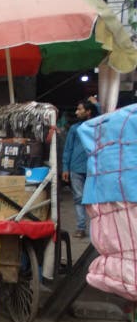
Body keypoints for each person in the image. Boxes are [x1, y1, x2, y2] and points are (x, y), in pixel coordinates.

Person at [62, 100, 95, 238]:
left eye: (80, 109)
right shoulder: (74, 129)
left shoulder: (96, 126)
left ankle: (96, 228)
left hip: (93, 168)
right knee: (79, 198)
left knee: (94, 199)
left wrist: (97, 104)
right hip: (76, 168)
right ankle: (81, 227)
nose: (76, 112)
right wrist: (65, 168)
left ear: (88, 112)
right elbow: (68, 149)